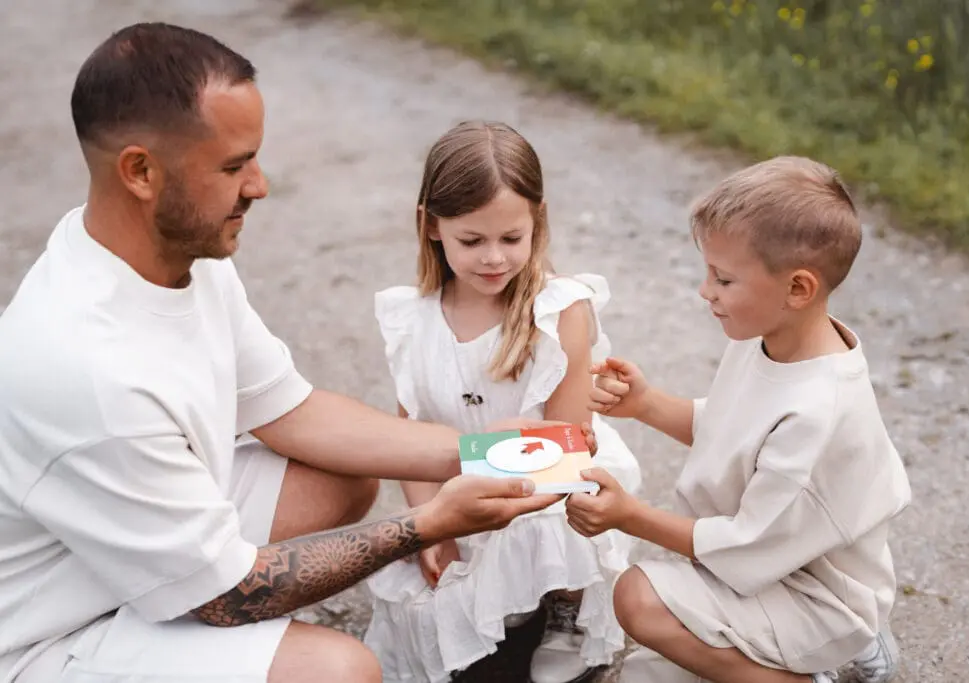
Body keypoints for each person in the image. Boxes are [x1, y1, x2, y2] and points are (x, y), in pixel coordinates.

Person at [0, 23, 574, 683]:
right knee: (343, 671)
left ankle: (174, 590)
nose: (260, 184)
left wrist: (477, 449)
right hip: (54, 629)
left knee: (344, 472)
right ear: (140, 172)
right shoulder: (84, 365)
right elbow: (229, 593)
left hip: (124, 550)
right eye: (233, 164)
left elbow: (293, 412)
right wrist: (425, 522)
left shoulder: (180, 254)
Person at [566, 156, 912, 683]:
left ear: (798, 289)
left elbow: (747, 543)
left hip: (815, 597)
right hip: (771, 568)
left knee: (637, 598)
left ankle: (815, 670)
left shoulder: (818, 408)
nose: (706, 291)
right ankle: (804, 653)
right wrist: (648, 404)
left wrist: (628, 515)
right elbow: (732, 432)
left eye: (723, 278)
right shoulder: (772, 341)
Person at [361, 120, 642, 683]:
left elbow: (568, 443)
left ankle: (564, 607)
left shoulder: (558, 310)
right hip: (458, 490)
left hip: (546, 481)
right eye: (473, 240)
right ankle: (503, 610)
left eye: (511, 239)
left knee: (563, 518)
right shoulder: (413, 320)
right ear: (432, 226)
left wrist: (499, 444)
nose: (494, 258)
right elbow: (407, 438)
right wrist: (430, 523)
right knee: (417, 602)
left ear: (536, 223)